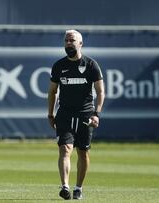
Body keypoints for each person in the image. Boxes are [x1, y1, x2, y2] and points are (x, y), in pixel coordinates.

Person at [47, 29, 105, 200]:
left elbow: (100, 92)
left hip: (85, 115)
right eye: (66, 40)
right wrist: (50, 114)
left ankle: (78, 187)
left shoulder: (91, 65)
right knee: (65, 149)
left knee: (83, 152)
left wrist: (97, 114)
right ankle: (64, 186)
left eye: (71, 40)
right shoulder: (59, 66)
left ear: (81, 43)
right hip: (64, 114)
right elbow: (52, 92)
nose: (68, 43)